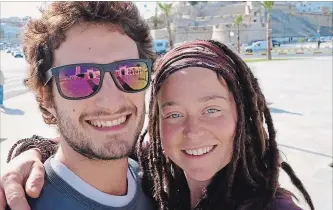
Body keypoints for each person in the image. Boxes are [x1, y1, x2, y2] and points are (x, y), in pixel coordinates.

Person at [1, 40, 315, 210]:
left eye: (211, 110)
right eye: (174, 114)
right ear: (156, 122)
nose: (193, 132)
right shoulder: (152, 170)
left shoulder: (272, 205)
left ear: (241, 115)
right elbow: (82, 147)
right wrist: (29, 153)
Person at [0, 1, 156, 210]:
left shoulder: (159, 184)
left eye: (129, 72)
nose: (111, 101)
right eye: (79, 77)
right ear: (45, 96)